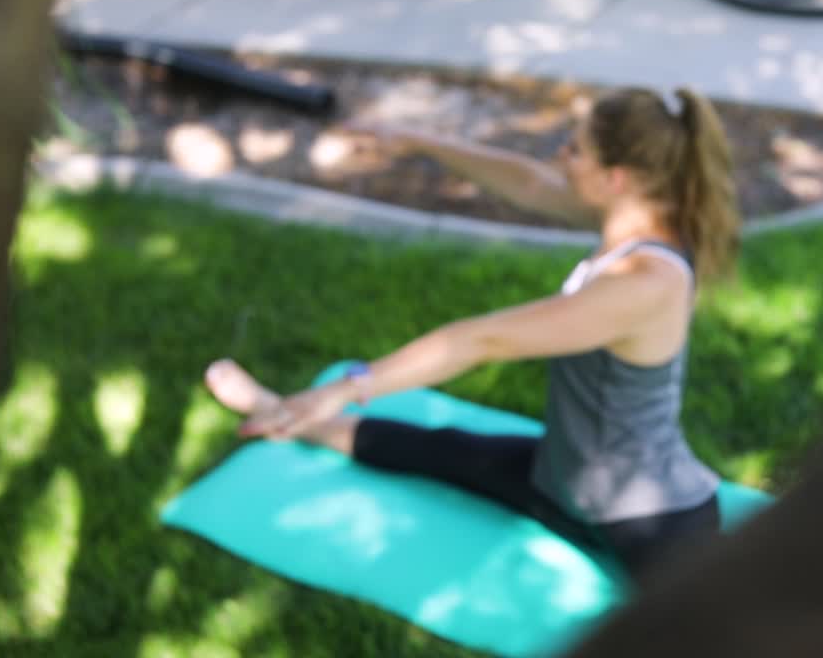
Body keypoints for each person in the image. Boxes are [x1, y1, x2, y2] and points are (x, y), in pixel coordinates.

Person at [204, 86, 742, 578]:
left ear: (615, 178)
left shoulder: (645, 283)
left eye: (574, 150)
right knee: (435, 449)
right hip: (561, 477)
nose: (561, 158)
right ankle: (281, 412)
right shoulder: (632, 215)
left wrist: (345, 385)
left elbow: (483, 340)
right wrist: (417, 142)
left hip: (653, 515)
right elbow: (529, 182)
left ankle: (305, 408)